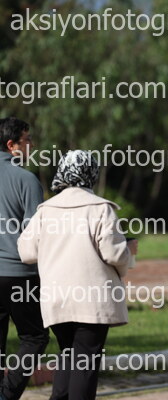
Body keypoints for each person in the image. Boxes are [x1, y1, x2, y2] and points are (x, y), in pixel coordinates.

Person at [18, 150, 138, 400]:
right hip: (92, 301)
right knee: (85, 361)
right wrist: (129, 251)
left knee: (68, 355)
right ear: (91, 173)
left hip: (56, 300)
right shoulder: (101, 209)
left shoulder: (45, 210)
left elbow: (26, 251)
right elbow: (113, 254)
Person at [0, 117, 49, 400]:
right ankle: (7, 394)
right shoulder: (27, 180)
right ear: (12, 145)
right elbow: (35, 234)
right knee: (35, 337)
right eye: (27, 140)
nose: (32, 145)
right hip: (19, 274)